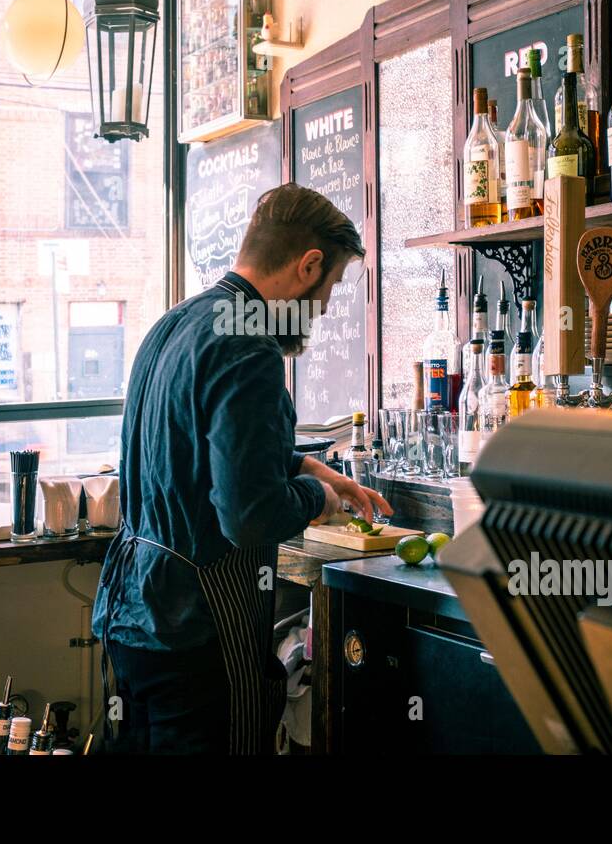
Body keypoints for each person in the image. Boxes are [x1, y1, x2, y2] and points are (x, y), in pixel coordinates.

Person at [92, 183, 391, 754]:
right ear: (308, 265)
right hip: (196, 631)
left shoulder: (177, 322)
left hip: (132, 613)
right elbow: (250, 517)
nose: (326, 309)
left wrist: (305, 463)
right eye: (329, 289)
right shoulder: (249, 345)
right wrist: (315, 498)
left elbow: (195, 449)